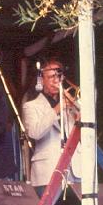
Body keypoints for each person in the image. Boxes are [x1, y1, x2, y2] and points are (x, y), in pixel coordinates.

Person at [21, 58, 82, 195]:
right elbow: (35, 133)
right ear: (41, 81)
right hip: (47, 172)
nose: (56, 80)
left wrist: (79, 113)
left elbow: (88, 131)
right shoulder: (31, 106)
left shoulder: (71, 105)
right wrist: (56, 110)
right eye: (51, 77)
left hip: (76, 170)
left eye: (59, 76)